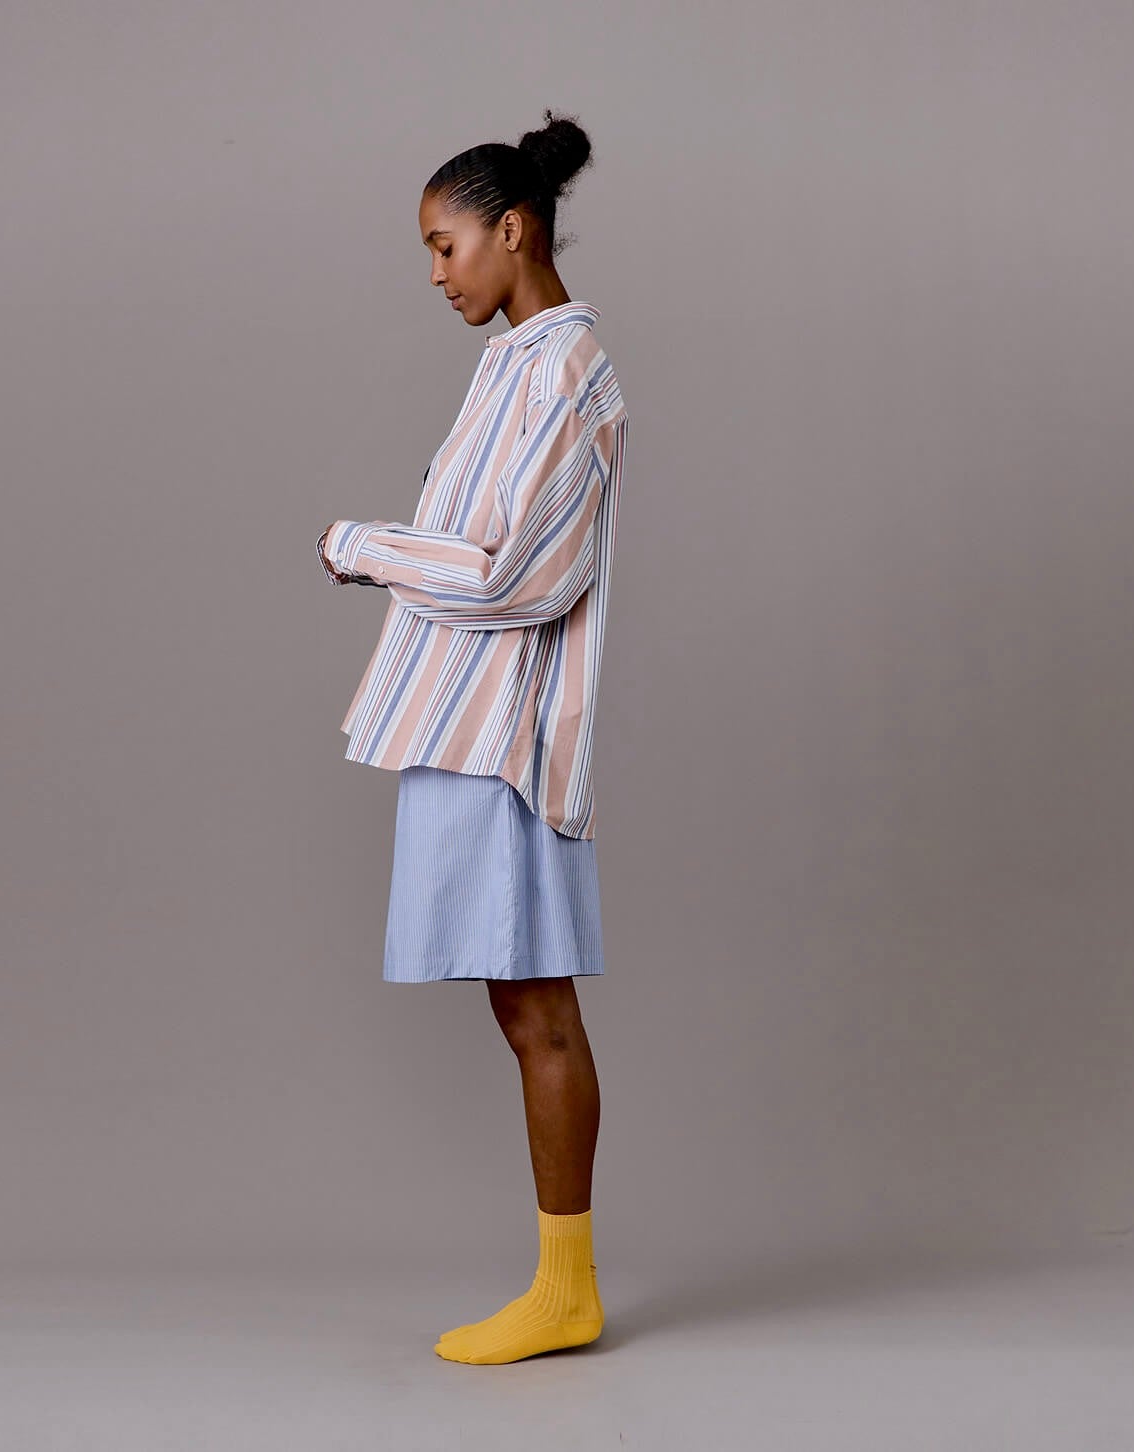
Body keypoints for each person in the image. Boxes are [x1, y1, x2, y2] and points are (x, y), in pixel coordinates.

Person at [315, 108, 627, 1365]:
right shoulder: (511, 364)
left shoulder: (566, 371)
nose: (437, 274)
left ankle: (566, 1292)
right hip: (464, 723)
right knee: (520, 1005)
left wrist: (360, 545)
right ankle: (562, 1284)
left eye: (447, 247)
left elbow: (515, 576)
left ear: (515, 229)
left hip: (505, 735)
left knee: (537, 1009)